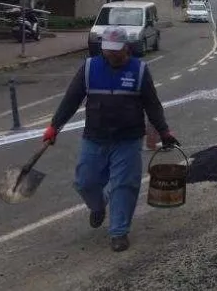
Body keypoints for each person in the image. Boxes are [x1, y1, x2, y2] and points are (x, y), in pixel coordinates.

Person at [42, 26, 179, 252]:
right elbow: (71, 100)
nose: (112, 54)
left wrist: (164, 131)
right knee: (85, 182)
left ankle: (119, 232)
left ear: (126, 47)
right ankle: (98, 206)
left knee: (124, 185)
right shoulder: (89, 69)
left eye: (116, 50)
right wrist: (54, 127)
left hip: (128, 139)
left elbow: (152, 105)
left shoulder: (140, 70)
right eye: (108, 50)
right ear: (102, 48)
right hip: (95, 137)